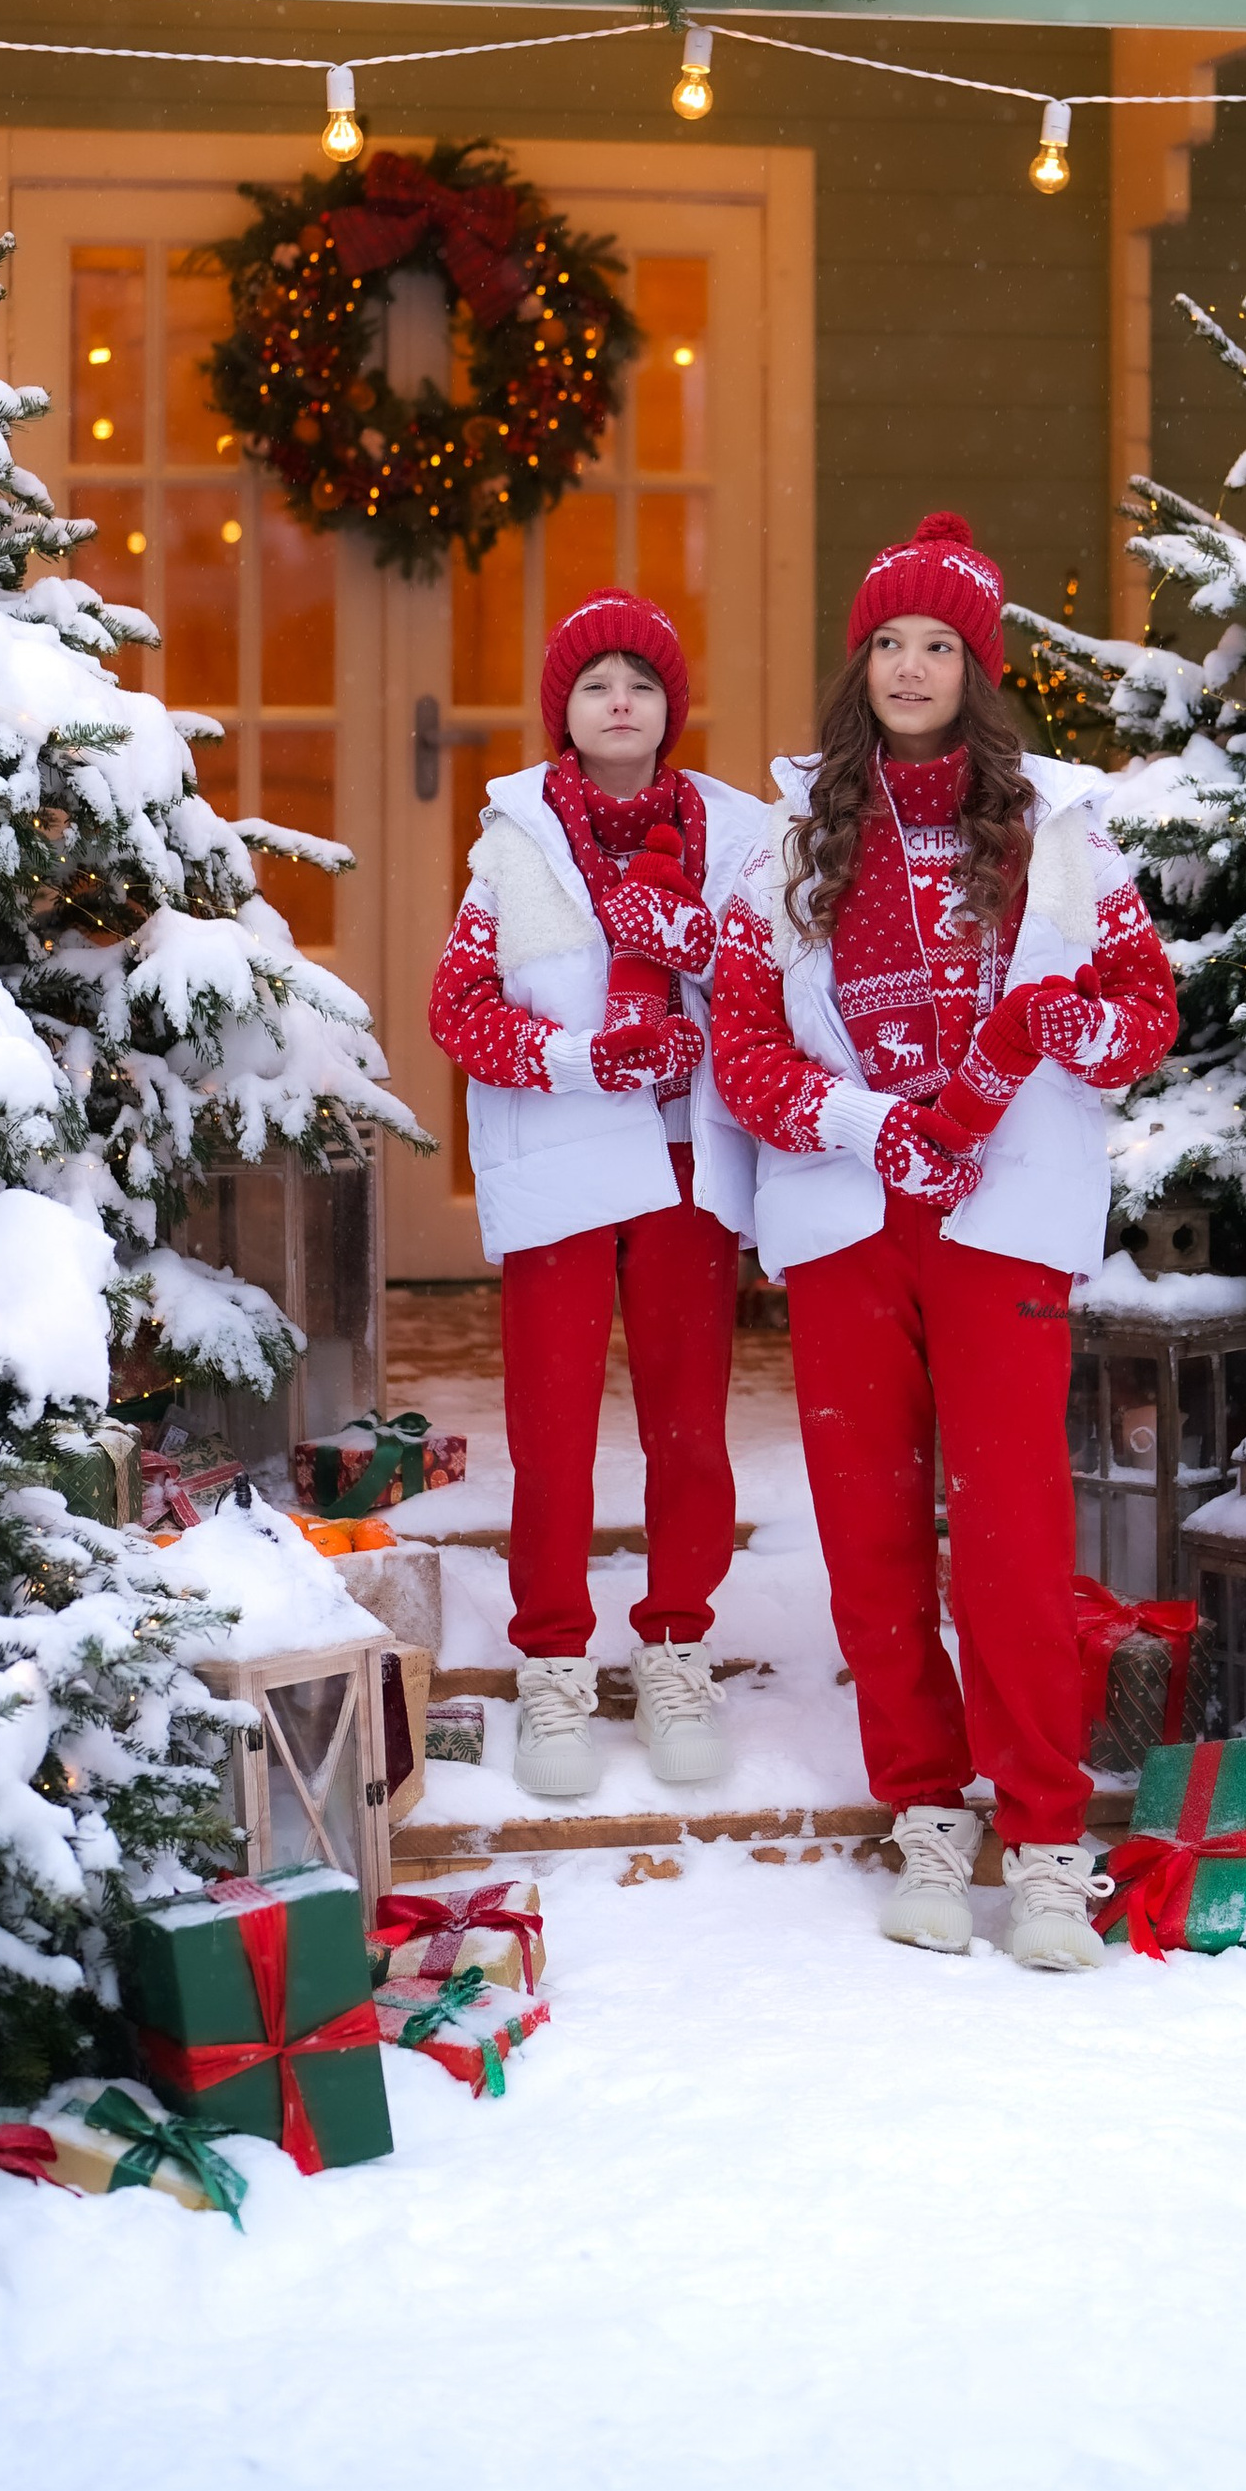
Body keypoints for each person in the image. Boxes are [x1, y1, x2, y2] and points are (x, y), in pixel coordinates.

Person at [709, 513, 1178, 1969]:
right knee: (870, 1535)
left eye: (939, 646)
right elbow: (742, 1052)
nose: (910, 666)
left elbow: (1143, 1010)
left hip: (1001, 1226)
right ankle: (924, 1814)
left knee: (1017, 1535)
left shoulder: (1061, 836)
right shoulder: (782, 843)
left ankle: (1042, 1837)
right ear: (860, 668)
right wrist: (865, 1126)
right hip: (851, 1225)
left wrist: (1052, 1023)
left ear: (976, 673)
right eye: (889, 643)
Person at [428, 593, 767, 1799]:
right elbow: (459, 1015)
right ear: (562, 715)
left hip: (683, 1166)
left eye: (640, 682)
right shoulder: (516, 845)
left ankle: (678, 1643)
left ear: (670, 708)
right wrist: (586, 1057)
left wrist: (686, 944)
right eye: (593, 684)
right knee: (554, 1432)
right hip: (563, 1162)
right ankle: (553, 1665)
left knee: (689, 1426)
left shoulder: (739, 843)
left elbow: (780, 991)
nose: (618, 701)